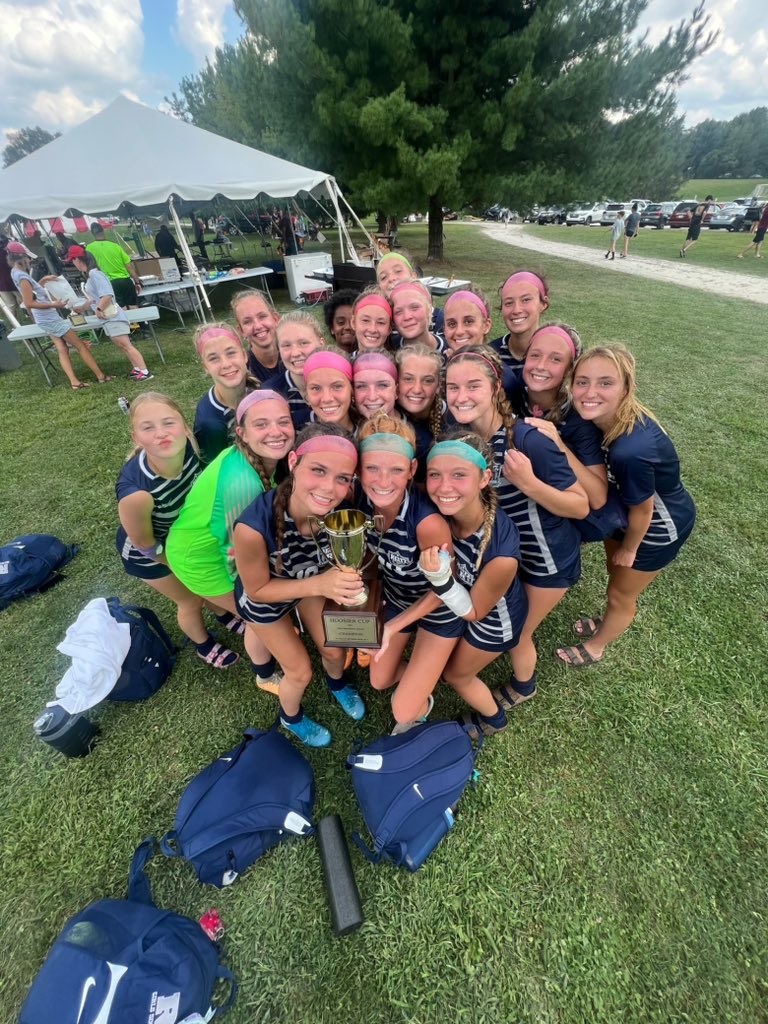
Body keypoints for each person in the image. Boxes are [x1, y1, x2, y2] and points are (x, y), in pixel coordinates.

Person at [444, 346, 588, 705]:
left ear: (495, 389)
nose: (461, 397)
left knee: (519, 632)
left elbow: (581, 505)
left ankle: (524, 686)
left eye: (473, 386)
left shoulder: (526, 439)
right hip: (510, 555)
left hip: (546, 562)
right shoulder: (462, 439)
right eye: (453, 387)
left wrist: (530, 485)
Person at [556, 345, 696, 667]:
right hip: (625, 514)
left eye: (605, 383)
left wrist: (631, 549)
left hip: (657, 527)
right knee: (614, 575)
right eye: (582, 382)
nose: (590, 392)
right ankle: (607, 618)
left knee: (622, 594)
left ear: (626, 388)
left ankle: (597, 645)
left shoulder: (630, 449)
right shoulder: (603, 420)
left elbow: (645, 511)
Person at [233, 422, 366, 746]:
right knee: (299, 672)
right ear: (293, 462)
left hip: (309, 583)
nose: (329, 488)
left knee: (335, 649)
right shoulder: (252, 527)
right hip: (267, 600)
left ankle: (336, 684)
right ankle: (290, 718)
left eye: (342, 478)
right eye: (318, 470)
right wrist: (321, 585)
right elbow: (257, 591)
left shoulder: (342, 511)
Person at [166, 390, 295, 694]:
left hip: (199, 542)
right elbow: (234, 552)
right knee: (260, 618)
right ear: (243, 433)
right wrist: (253, 598)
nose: (275, 431)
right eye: (261, 424)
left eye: (283, 421)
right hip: (202, 560)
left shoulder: (251, 457)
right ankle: (265, 677)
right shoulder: (244, 484)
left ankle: (228, 614)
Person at [116, 392, 240, 670]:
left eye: (168, 423)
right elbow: (144, 545)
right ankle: (203, 644)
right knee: (190, 597)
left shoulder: (191, 450)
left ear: (184, 427)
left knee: (208, 582)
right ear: (136, 437)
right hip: (150, 554)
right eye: (148, 428)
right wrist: (181, 566)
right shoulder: (138, 494)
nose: (161, 434)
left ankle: (222, 613)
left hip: (184, 538)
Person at [418, 431, 529, 738]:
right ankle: (522, 685)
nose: (444, 487)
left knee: (456, 675)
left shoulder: (500, 551)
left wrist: (439, 579)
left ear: (484, 478)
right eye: (435, 475)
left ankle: (494, 718)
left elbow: (474, 611)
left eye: (459, 475)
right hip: (471, 601)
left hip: (493, 620)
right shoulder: (441, 512)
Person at [358, 415, 465, 730]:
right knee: (379, 681)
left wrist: (391, 627)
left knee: (403, 712)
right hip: (398, 600)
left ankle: (427, 681)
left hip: (438, 609)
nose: (383, 481)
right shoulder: (360, 502)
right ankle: (423, 672)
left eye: (396, 470)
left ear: (412, 471)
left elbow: (447, 588)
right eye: (372, 468)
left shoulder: (426, 523)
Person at [8, 240, 111, 390]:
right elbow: (29, 302)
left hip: (44, 319)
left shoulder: (16, 273)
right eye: (28, 258)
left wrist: (42, 281)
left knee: (63, 349)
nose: (30, 260)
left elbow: (33, 293)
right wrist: (54, 305)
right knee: (81, 346)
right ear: (21, 258)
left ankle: (74, 382)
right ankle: (101, 377)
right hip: (49, 319)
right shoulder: (22, 277)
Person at [68, 246, 153, 382]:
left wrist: (99, 309)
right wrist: (83, 308)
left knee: (126, 344)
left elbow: (107, 294)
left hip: (112, 315)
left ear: (78, 260)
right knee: (122, 345)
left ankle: (144, 371)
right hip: (108, 317)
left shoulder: (95, 274)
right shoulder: (91, 276)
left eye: (73, 260)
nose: (73, 264)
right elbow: (94, 298)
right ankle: (137, 369)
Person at [192, 322, 255, 464]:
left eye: (231, 353)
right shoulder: (209, 424)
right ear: (205, 367)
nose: (226, 364)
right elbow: (216, 473)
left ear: (244, 356)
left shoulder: (256, 389)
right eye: (214, 358)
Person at [263, 312, 326, 428]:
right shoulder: (270, 393)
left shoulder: (341, 381)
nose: (295, 353)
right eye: (286, 345)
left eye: (303, 343)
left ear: (321, 343)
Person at [395, 343, 444, 477]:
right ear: (396, 382)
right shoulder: (392, 415)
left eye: (427, 381)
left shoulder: (452, 419)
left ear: (439, 385)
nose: (417, 389)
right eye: (408, 379)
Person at [490, 271, 550, 371]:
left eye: (526, 300)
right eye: (509, 303)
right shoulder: (491, 354)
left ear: (543, 304)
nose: (517, 310)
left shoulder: (558, 352)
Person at [86, 223, 142, 309]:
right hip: (125, 281)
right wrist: (137, 282)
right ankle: (139, 322)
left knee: (120, 308)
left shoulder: (89, 248)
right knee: (133, 306)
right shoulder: (115, 246)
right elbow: (129, 267)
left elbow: (88, 269)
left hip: (109, 283)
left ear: (92, 233)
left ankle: (128, 322)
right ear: (103, 231)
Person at [231, 289, 282, 380]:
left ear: (276, 319)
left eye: (262, 316)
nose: (258, 326)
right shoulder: (242, 372)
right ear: (241, 331)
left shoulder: (294, 354)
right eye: (247, 321)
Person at [303, 347, 356, 432]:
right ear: (307, 394)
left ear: (352, 390)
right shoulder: (300, 440)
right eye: (316, 388)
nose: (327, 399)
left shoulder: (373, 438)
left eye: (337, 387)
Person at [390, 280, 446, 354]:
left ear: (429, 309)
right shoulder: (390, 349)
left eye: (414, 308)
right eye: (398, 312)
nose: (407, 317)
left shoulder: (450, 350)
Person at [442, 287, 492, 354]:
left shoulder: (496, 364)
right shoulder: (437, 363)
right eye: (452, 324)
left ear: (486, 326)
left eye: (468, 322)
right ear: (444, 329)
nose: (459, 331)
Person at [352, 351, 398, 421]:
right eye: (361, 386)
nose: (372, 397)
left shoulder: (417, 430)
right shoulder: (344, 431)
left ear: (397, 391)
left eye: (382, 385)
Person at [350, 290, 393, 354]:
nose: (372, 330)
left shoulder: (402, 363)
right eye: (365, 320)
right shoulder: (343, 362)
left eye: (380, 322)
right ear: (353, 323)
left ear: (389, 329)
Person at [0, 234, 26, 324]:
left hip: (5, 283)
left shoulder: (8, 253)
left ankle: (15, 325)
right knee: (25, 301)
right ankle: (17, 324)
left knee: (12, 305)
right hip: (13, 281)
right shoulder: (9, 253)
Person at [322, 289, 358, 354]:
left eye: (353, 322)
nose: (348, 327)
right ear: (332, 328)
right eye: (341, 322)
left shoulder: (371, 359)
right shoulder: (325, 360)